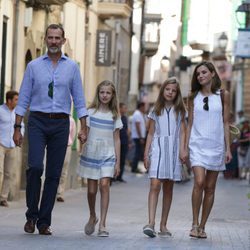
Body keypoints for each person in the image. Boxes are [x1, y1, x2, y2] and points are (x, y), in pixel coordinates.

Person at [13, 24, 88, 235]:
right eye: (50, 38)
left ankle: (44, 222)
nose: (54, 41)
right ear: (45, 40)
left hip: (61, 123)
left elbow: (80, 100)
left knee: (54, 175)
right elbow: (24, 97)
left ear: (63, 41)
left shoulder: (72, 67)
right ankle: (31, 215)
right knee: (35, 167)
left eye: (57, 38)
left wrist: (84, 127)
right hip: (37, 120)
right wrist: (17, 127)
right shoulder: (34, 66)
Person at [185, 61, 232, 239]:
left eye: (204, 72)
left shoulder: (223, 95)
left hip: (216, 145)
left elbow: (225, 122)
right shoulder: (192, 96)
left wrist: (228, 149)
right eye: (198, 74)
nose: (201, 76)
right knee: (199, 182)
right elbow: (189, 124)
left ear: (213, 73)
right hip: (197, 145)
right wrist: (185, 148)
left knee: (210, 188)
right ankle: (194, 223)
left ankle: (202, 226)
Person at [142, 77, 187, 238]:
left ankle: (163, 225)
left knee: (168, 188)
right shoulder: (156, 109)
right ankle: (151, 223)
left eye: (174, 90)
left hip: (174, 150)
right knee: (154, 185)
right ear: (163, 90)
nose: (170, 92)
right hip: (158, 149)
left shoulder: (181, 110)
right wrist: (146, 154)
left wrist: (183, 150)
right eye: (168, 89)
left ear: (177, 93)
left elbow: (183, 132)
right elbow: (151, 133)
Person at [77, 80, 122, 237]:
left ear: (112, 95)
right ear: (98, 93)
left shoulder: (114, 115)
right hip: (92, 153)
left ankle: (103, 224)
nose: (105, 95)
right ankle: (92, 215)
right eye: (102, 92)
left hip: (108, 153)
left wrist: (118, 162)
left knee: (104, 185)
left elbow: (117, 139)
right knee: (91, 190)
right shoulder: (90, 113)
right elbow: (85, 133)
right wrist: (81, 138)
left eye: (108, 93)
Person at [0, 91, 24, 207]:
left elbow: (21, 127)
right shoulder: (0, 110)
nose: (17, 102)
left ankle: (3, 198)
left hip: (12, 145)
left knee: (9, 173)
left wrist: (20, 137)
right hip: (1, 144)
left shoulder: (17, 113)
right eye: (16, 99)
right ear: (9, 100)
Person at [56, 116, 76, 202]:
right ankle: (52, 191)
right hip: (56, 146)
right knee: (55, 169)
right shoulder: (57, 118)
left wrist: (69, 144)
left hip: (67, 146)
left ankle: (60, 193)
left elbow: (73, 135)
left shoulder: (71, 120)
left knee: (64, 170)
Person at [131, 102, 147, 173]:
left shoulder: (140, 114)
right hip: (137, 137)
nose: (144, 109)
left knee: (138, 152)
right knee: (137, 153)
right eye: (144, 107)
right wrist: (141, 137)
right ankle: (134, 168)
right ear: (141, 106)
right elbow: (138, 126)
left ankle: (135, 167)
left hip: (139, 136)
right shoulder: (137, 114)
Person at [116, 103, 129, 182]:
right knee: (116, 158)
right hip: (118, 141)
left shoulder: (125, 118)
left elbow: (127, 129)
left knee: (123, 159)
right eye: (124, 108)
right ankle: (113, 176)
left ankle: (120, 176)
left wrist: (129, 140)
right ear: (120, 108)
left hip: (124, 141)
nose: (125, 110)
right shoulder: (117, 117)